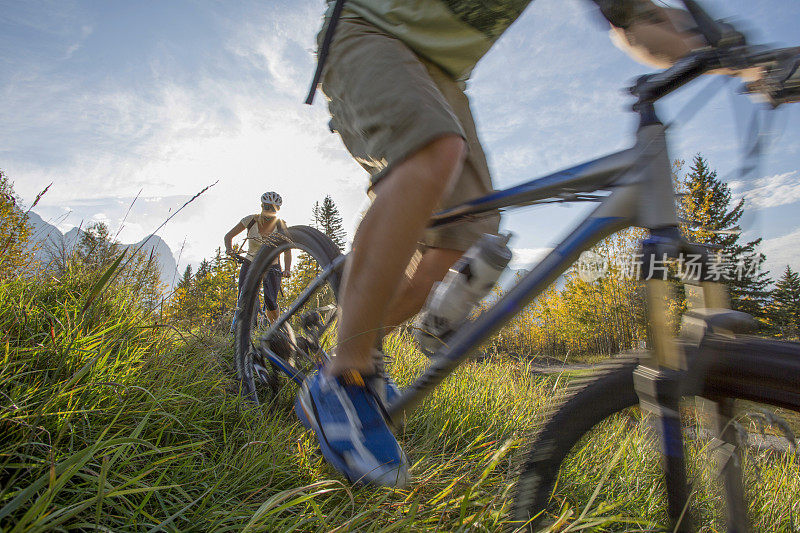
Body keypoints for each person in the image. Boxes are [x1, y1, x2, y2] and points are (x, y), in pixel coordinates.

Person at [294, 0, 722, 487]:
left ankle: (355, 343)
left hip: (440, 72)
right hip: (365, 28)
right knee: (432, 151)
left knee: (469, 236)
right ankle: (342, 377)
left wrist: (732, 51)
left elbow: (636, 17)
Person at [224, 191, 291, 324]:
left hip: (272, 265)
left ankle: (274, 327)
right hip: (250, 263)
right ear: (261, 206)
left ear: (277, 210)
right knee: (244, 296)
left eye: (274, 208)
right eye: (267, 207)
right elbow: (228, 236)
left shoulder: (280, 225)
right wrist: (229, 249)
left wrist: (287, 269)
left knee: (271, 301)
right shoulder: (250, 220)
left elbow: (287, 250)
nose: (269, 211)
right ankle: (244, 328)